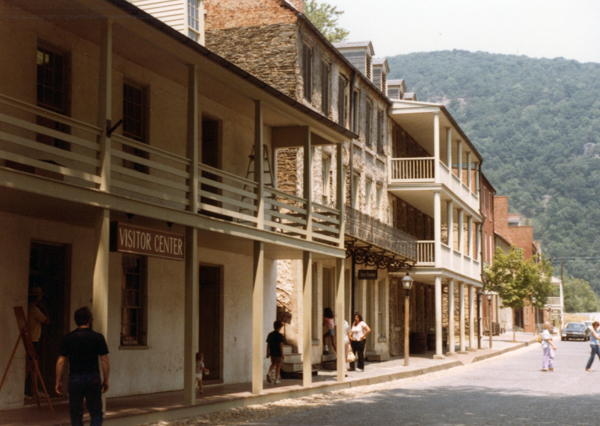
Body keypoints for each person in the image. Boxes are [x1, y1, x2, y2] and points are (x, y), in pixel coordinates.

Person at [55, 307, 110, 426]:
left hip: (75, 377)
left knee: (75, 413)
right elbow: (104, 360)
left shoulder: (68, 338)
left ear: (76, 320)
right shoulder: (98, 337)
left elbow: (60, 361)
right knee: (96, 412)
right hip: (93, 377)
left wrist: (58, 380)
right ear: (90, 320)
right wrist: (106, 379)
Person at [26, 286, 50, 397]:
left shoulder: (30, 308)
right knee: (31, 365)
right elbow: (46, 320)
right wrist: (44, 308)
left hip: (32, 339)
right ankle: (32, 390)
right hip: (33, 340)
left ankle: (34, 390)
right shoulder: (34, 309)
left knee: (33, 366)